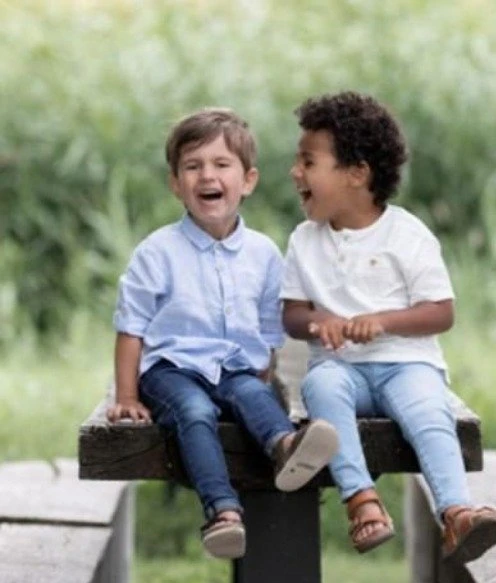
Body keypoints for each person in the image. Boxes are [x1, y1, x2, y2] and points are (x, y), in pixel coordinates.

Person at [281, 91, 496, 563]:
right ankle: (361, 500)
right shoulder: (304, 240)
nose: (295, 172)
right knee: (321, 389)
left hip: (407, 365)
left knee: (430, 415)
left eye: (308, 162)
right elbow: (293, 316)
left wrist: (381, 322)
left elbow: (440, 312)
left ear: (357, 173)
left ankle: (457, 512)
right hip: (341, 369)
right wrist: (321, 321)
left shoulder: (407, 235)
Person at [109, 108, 338, 559]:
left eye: (221, 164)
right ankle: (222, 512)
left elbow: (269, 330)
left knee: (254, 396)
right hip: (171, 371)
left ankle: (286, 447)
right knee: (195, 412)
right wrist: (128, 396)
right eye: (193, 166)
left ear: (247, 180)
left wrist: (263, 375)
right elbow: (131, 327)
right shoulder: (158, 251)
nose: (207, 176)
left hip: (235, 368)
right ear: (176, 184)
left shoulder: (263, 253)